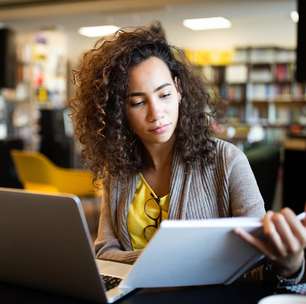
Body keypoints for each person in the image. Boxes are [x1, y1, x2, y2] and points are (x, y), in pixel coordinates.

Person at [70, 24, 306, 285]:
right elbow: (104, 253)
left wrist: (291, 265)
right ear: (119, 110)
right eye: (138, 102)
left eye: (164, 94)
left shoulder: (227, 161)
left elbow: (256, 263)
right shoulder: (118, 170)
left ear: (179, 89)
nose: (156, 112)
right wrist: (185, 261)